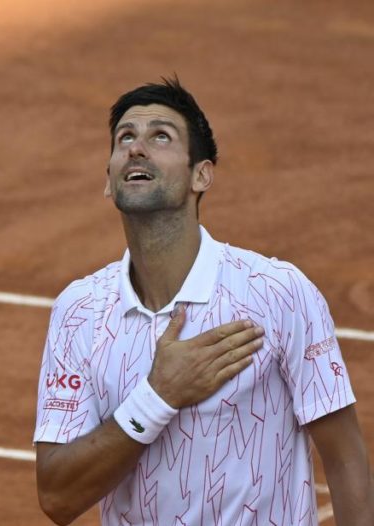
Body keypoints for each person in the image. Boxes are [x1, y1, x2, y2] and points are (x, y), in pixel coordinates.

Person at [33, 77, 373, 526]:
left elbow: (346, 460)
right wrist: (158, 397)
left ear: (201, 174)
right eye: (125, 138)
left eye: (160, 136)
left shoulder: (277, 292)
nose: (137, 148)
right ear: (109, 183)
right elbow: (57, 496)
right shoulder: (78, 312)